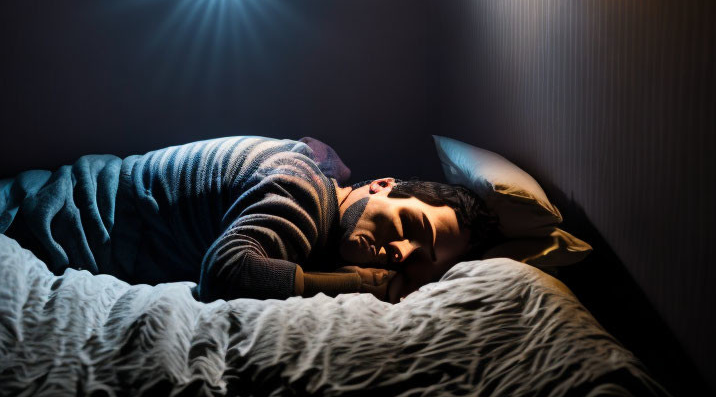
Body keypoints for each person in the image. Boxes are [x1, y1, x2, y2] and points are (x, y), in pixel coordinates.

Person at [0, 136, 497, 304]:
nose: (403, 253)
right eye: (413, 228)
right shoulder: (304, 194)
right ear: (381, 186)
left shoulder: (316, 185)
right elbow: (226, 271)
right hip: (45, 222)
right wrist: (361, 283)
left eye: (422, 262)